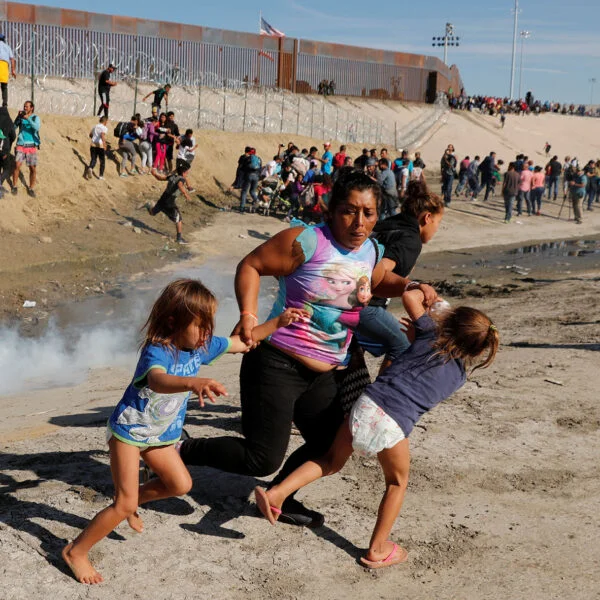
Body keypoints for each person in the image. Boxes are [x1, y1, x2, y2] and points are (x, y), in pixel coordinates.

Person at [178, 171, 437, 527]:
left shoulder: (371, 250)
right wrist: (249, 316)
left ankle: (280, 496)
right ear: (331, 210)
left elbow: (377, 282)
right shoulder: (307, 241)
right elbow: (251, 265)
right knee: (260, 458)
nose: (359, 222)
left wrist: (411, 284)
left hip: (326, 370)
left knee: (331, 444)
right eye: (349, 211)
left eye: (369, 213)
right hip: (275, 362)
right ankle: (180, 449)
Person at [61, 277, 308, 584]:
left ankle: (132, 501)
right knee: (123, 503)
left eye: (210, 325)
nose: (207, 334)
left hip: (160, 436)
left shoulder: (200, 347)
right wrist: (193, 383)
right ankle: (76, 551)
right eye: (200, 326)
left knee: (180, 485)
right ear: (172, 321)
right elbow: (157, 381)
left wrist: (279, 322)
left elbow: (243, 342)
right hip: (130, 433)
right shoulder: (159, 351)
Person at [254, 289, 498, 569]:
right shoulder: (458, 377)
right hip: (393, 422)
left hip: (366, 404)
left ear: (448, 322)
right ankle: (377, 549)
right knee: (396, 483)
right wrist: (427, 330)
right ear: (479, 351)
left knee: (331, 461)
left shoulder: (430, 333)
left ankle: (277, 494)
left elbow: (410, 298)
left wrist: (432, 298)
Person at [144, 161, 193, 244]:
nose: (187, 173)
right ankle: (179, 239)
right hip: (169, 202)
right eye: (187, 172)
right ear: (184, 172)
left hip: (162, 199)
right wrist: (186, 194)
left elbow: (160, 178)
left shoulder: (172, 176)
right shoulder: (181, 179)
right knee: (178, 219)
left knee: (152, 213)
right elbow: (180, 185)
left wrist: (154, 174)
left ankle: (148, 206)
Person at [11, 100, 40, 197]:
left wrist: (28, 119)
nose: (24, 108)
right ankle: (14, 186)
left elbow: (36, 127)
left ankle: (31, 188)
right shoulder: (21, 118)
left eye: (26, 106)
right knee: (17, 165)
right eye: (24, 106)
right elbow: (13, 127)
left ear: (31, 108)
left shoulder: (35, 118)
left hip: (31, 146)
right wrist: (18, 117)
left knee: (32, 168)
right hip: (21, 145)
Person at [86, 116, 108, 180]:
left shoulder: (95, 126)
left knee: (93, 159)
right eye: (107, 121)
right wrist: (104, 144)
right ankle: (101, 176)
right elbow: (102, 135)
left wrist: (94, 138)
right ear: (105, 121)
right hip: (100, 145)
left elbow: (90, 134)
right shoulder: (104, 128)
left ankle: (90, 168)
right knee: (102, 161)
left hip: (93, 144)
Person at [239, 148, 261, 212]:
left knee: (244, 191)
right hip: (256, 176)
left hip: (248, 176)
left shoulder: (247, 158)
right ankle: (257, 200)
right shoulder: (259, 159)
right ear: (255, 152)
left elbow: (242, 168)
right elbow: (260, 169)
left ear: (250, 153)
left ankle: (242, 207)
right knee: (252, 191)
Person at [0, 105, 15, 195]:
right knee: (6, 168)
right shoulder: (9, 122)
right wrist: (9, 143)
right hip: (4, 150)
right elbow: (13, 135)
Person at [0, 32, 16, 107]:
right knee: (4, 86)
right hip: (4, 66)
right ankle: (5, 104)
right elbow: (12, 59)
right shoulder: (7, 47)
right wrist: (13, 70)